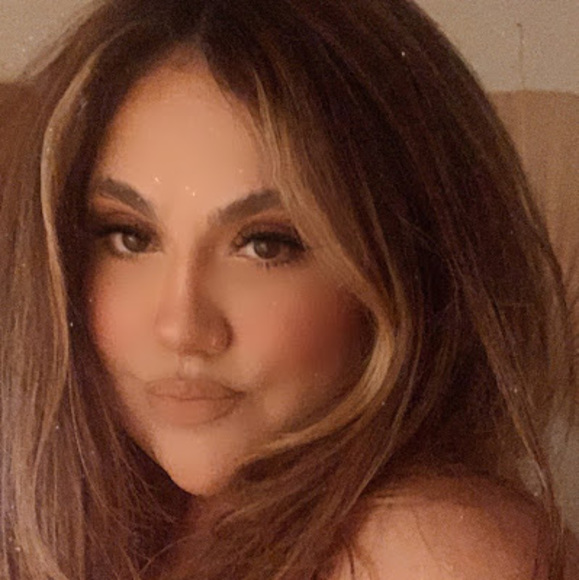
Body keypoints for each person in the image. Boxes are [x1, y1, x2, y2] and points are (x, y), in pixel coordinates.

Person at [0, 0, 577, 578]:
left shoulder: (431, 554)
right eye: (130, 237)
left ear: (409, 267)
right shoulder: (123, 515)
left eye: (265, 245)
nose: (181, 327)